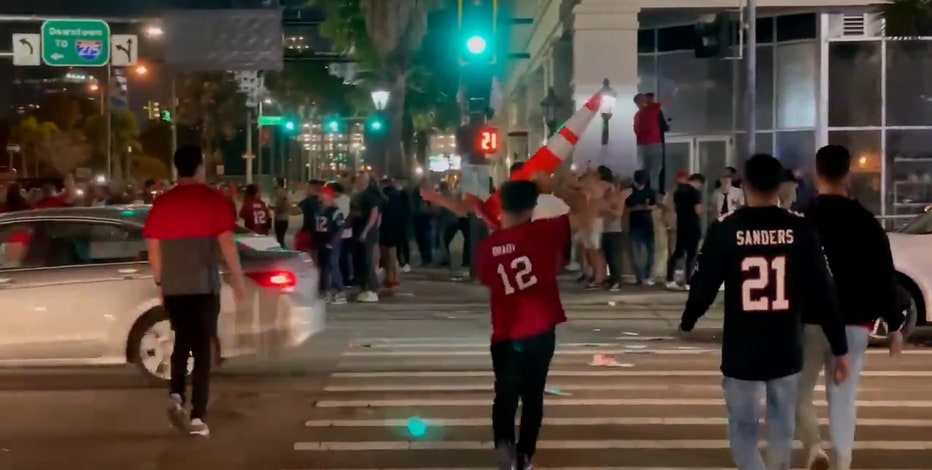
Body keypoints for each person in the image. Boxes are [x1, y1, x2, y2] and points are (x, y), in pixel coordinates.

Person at [678, 153, 850, 470]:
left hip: (742, 349)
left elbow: (704, 284)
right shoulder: (800, 229)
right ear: (780, 186)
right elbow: (824, 293)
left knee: (743, 433)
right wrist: (840, 348)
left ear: (744, 184)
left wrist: (688, 320)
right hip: (785, 346)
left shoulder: (726, 229)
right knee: (781, 432)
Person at [474, 173, 595, 470]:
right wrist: (557, 188)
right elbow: (586, 212)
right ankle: (525, 455)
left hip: (505, 331)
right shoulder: (544, 231)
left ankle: (505, 446)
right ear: (532, 207)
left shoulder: (487, 248)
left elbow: (487, 279)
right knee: (533, 395)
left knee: (505, 392)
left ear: (502, 204)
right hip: (540, 328)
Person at [797, 145, 905, 470]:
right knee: (843, 398)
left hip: (810, 321)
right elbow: (885, 275)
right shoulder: (866, 221)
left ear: (818, 172)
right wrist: (895, 325)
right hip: (856, 322)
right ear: (848, 174)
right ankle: (842, 463)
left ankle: (814, 448)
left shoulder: (803, 218)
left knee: (797, 392)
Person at [142, 145, 246, 437]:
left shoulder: (163, 202)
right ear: (200, 166)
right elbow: (227, 244)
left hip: (175, 288)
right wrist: (238, 280)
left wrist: (160, 282)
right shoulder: (215, 199)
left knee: (182, 341)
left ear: (177, 168)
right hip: (203, 286)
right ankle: (198, 417)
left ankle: (176, 393)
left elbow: (153, 247)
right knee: (202, 352)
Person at [665, 173, 705, 290]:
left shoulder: (678, 191)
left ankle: (669, 278)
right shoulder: (695, 192)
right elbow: (698, 210)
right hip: (693, 225)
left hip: (681, 225)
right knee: (691, 254)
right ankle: (688, 281)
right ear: (698, 182)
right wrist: (705, 208)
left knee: (678, 252)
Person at [350, 172, 382, 302]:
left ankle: (372, 288)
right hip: (356, 232)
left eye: (360, 180)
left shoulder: (371, 196)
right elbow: (352, 214)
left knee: (367, 261)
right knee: (358, 261)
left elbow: (375, 215)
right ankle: (363, 287)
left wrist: (367, 231)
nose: (358, 182)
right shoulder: (357, 196)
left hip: (366, 234)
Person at [314, 184, 347, 304]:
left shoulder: (335, 212)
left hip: (331, 243)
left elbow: (339, 229)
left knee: (333, 266)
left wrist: (332, 242)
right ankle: (326, 291)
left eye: (323, 198)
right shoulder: (319, 211)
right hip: (321, 243)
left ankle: (340, 291)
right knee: (324, 268)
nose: (321, 201)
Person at [625, 169, 657, 285]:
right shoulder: (629, 191)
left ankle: (647, 274)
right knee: (636, 252)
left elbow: (654, 206)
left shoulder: (650, 191)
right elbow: (626, 208)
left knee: (650, 251)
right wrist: (638, 207)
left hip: (648, 224)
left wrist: (647, 207)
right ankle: (639, 276)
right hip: (635, 224)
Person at [272, 177, 291, 247]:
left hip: (280, 218)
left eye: (274, 181)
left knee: (280, 239)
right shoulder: (284, 192)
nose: (273, 183)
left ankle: (282, 252)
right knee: (281, 238)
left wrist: (274, 208)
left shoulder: (279, 192)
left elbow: (280, 204)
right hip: (285, 218)